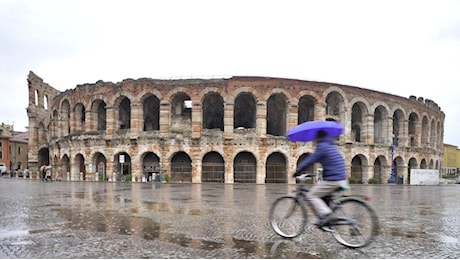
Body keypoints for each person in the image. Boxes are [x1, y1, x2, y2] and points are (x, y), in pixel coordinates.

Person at [293, 129, 347, 227]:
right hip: (341, 177)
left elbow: (310, 160)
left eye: (315, 138)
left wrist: (297, 171)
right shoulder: (331, 146)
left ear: (318, 138)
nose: (314, 140)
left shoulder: (322, 147)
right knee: (323, 195)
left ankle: (328, 215)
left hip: (333, 179)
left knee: (311, 195)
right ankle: (325, 220)